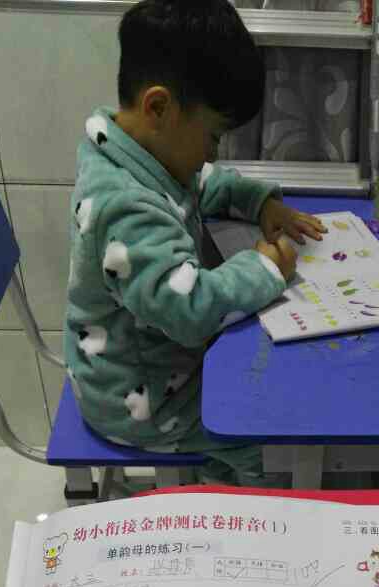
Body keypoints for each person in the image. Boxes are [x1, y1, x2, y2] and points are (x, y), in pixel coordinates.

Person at [64, 0, 326, 485]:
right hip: (141, 400)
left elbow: (201, 183)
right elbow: (190, 311)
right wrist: (266, 268)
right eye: (214, 137)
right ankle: (248, 515)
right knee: (272, 440)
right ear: (159, 107)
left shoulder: (135, 148)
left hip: (145, 364)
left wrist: (258, 203)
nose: (213, 153)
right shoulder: (125, 206)